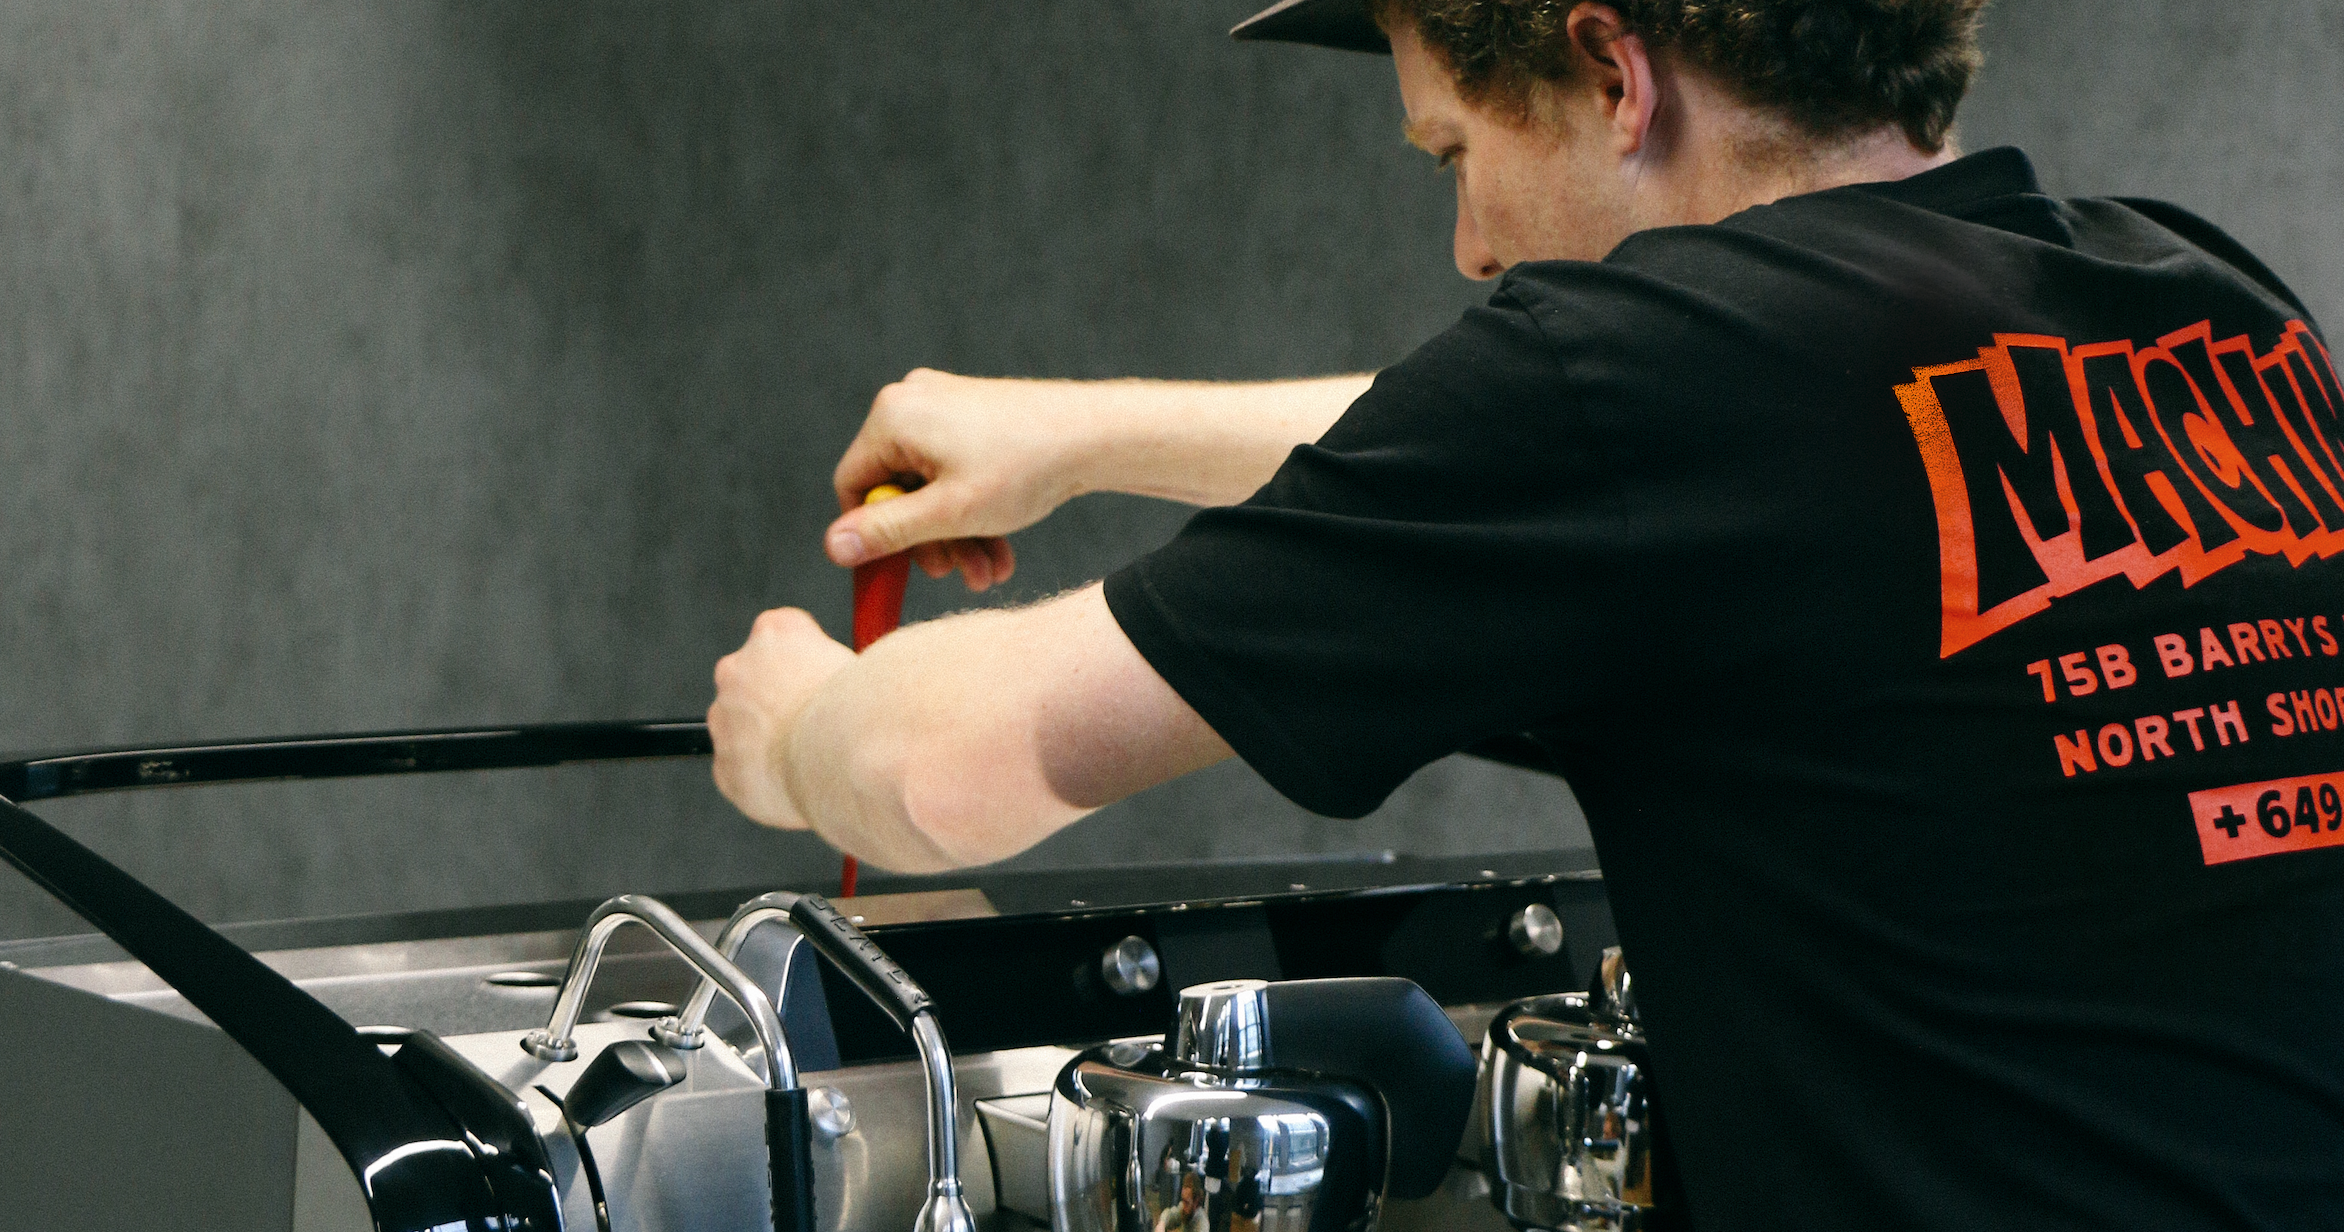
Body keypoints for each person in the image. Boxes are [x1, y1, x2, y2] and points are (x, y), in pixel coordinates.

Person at [709, 1, 2344, 1227]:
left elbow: (939, 776)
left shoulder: (1635, 380)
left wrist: (796, 727)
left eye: (1456, 155)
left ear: (1615, 73)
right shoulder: (2207, 302)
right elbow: (1614, 465)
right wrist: (1089, 439)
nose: (1472, 244)